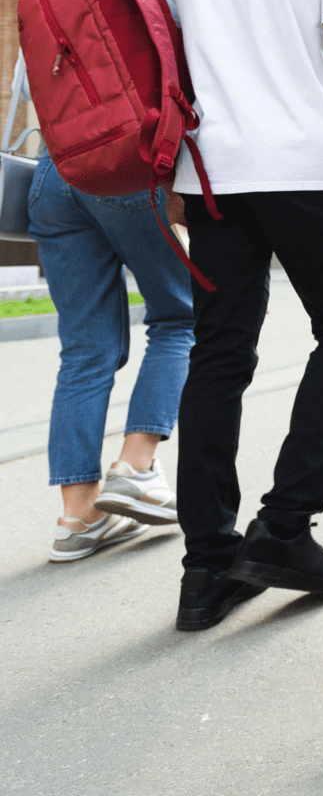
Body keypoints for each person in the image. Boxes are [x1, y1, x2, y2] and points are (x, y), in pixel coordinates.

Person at [168, 0, 323, 631]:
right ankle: (284, 526)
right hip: (308, 168)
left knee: (217, 355)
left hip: (212, 172)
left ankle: (207, 569)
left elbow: (164, 59)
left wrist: (169, 174)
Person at [19, 54, 195, 563]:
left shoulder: (42, 4)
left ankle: (78, 517)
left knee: (84, 350)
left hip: (55, 172)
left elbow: (30, 91)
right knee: (180, 316)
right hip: (125, 161)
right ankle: (135, 467)